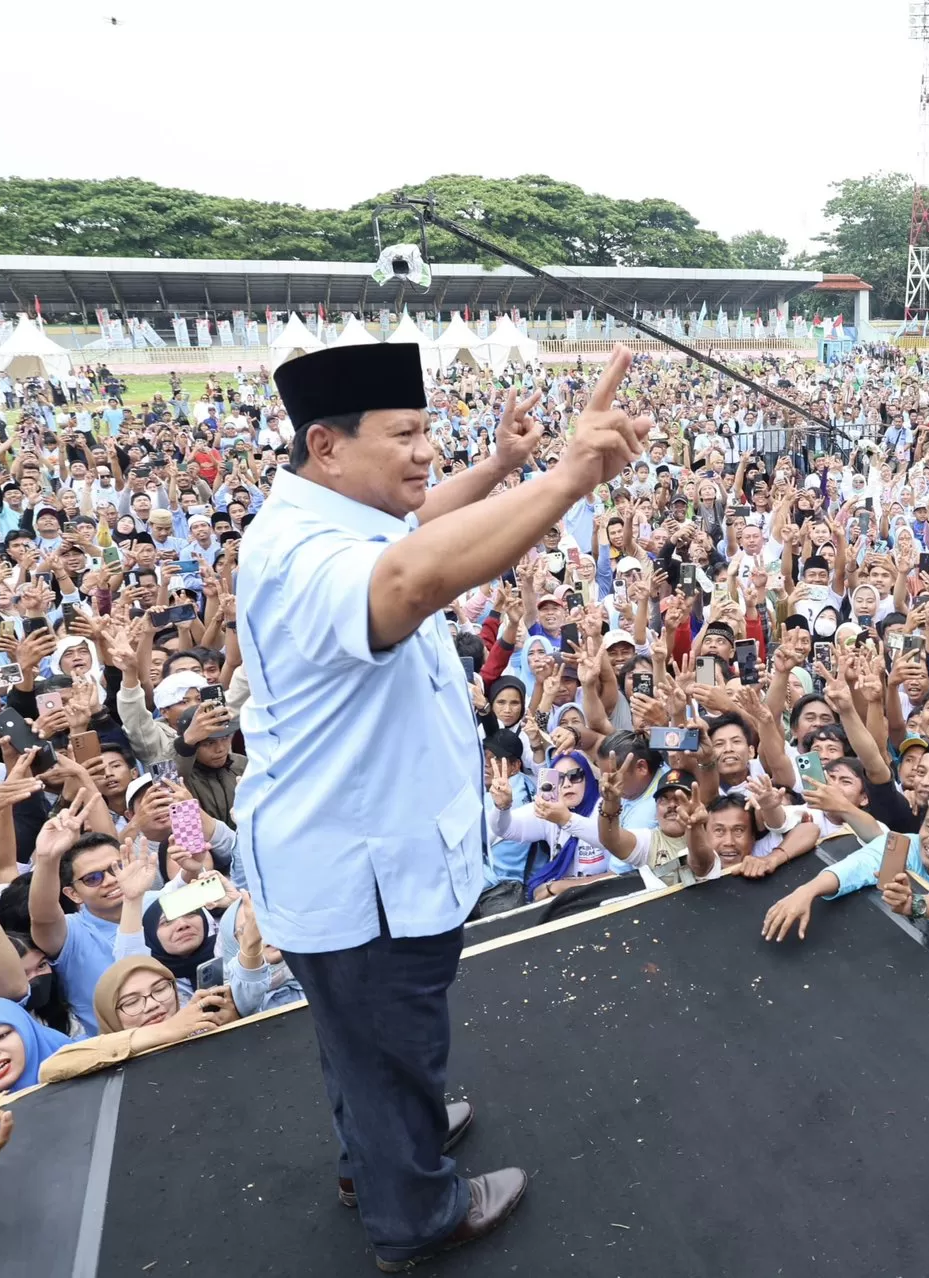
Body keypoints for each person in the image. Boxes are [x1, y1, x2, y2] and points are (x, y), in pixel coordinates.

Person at [231, 341, 650, 1272]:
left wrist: (503, 467)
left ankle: (377, 1156)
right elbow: (413, 578)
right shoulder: (304, 554)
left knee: (361, 1045)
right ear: (325, 445)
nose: (426, 454)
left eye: (430, 432)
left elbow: (412, 533)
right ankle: (415, 1208)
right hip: (364, 877)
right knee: (393, 1045)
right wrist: (573, 477)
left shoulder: (336, 513)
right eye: (406, 435)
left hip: (348, 860)